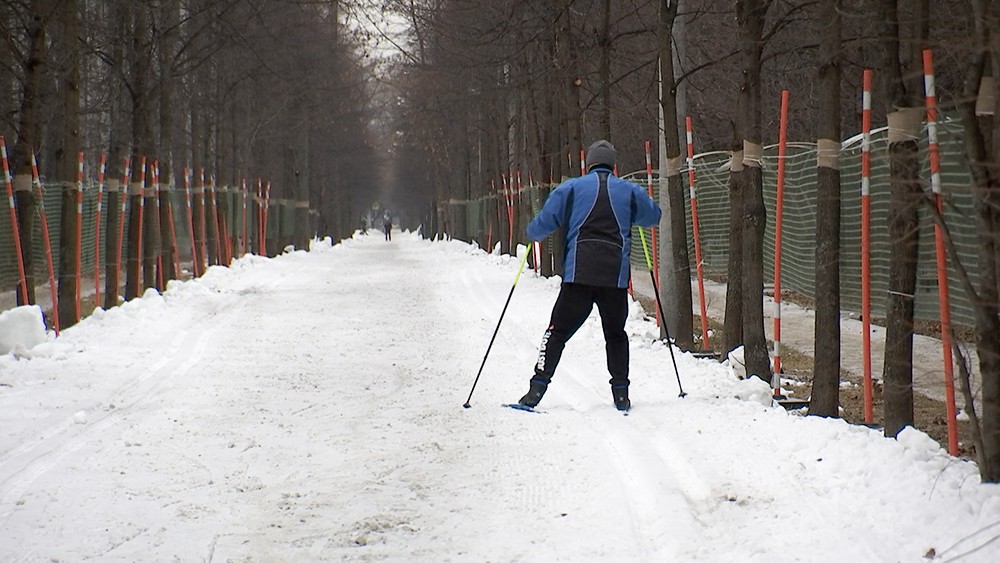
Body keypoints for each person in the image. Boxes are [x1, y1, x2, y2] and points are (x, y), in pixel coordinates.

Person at [518, 139, 661, 412]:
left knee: (557, 332)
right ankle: (621, 395)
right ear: (613, 165)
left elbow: (545, 222)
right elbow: (653, 216)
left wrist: (532, 232)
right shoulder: (629, 190)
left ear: (589, 163)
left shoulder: (571, 188)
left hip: (578, 277)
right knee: (616, 335)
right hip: (614, 279)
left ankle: (536, 390)